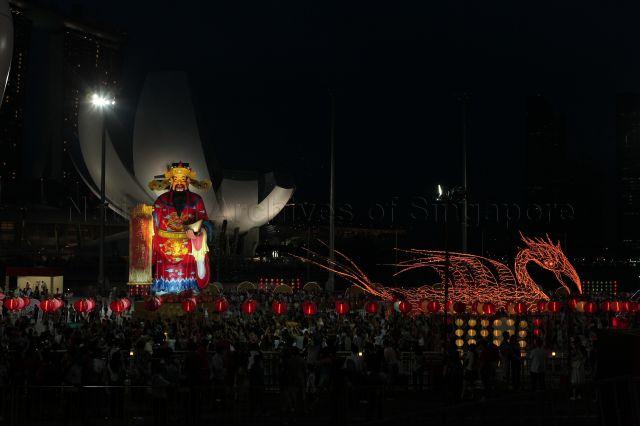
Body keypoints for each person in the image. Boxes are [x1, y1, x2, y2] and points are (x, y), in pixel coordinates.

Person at [148, 162, 214, 295]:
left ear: (188, 181)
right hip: (164, 247)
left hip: (188, 245)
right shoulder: (161, 201)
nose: (179, 184)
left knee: (189, 285)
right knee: (164, 284)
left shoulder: (196, 200)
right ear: (170, 181)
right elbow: (152, 224)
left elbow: (206, 223)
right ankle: (163, 288)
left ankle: (190, 288)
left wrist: (198, 234)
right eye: (176, 180)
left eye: (183, 180)